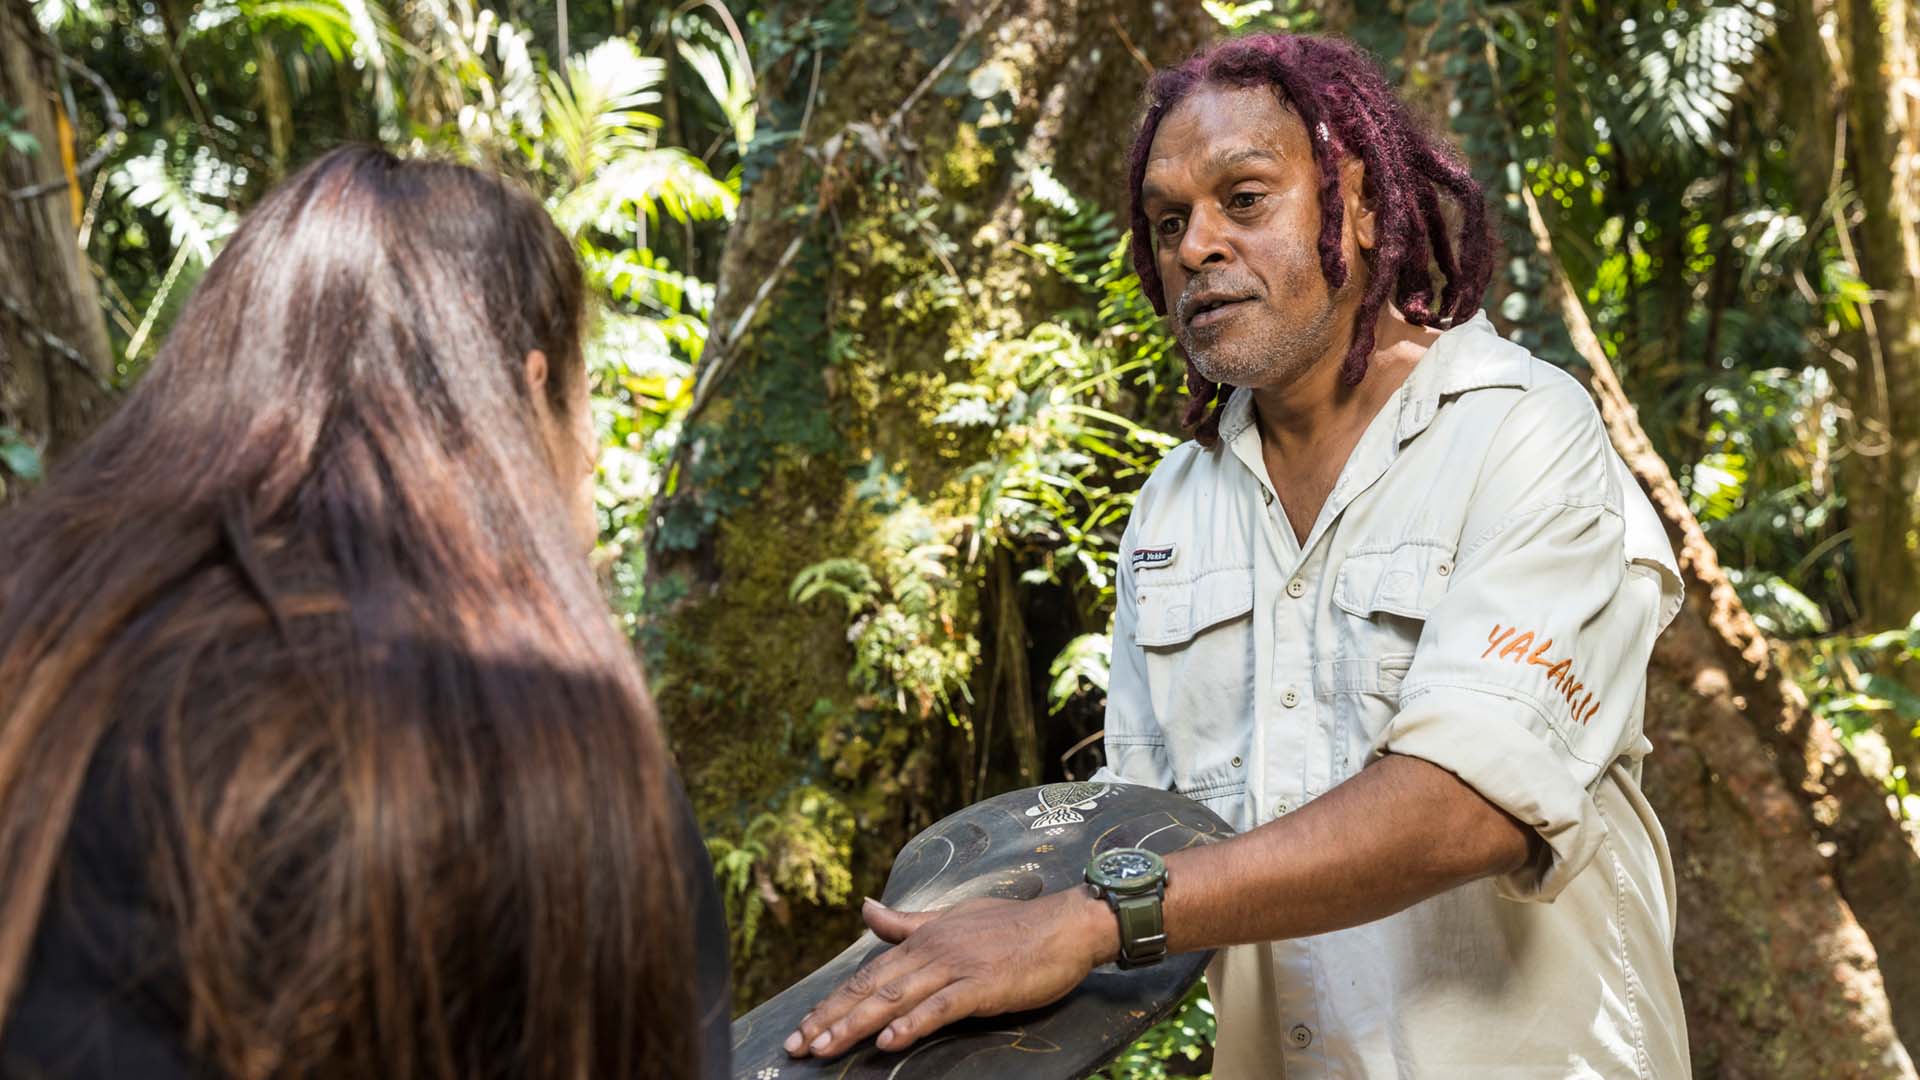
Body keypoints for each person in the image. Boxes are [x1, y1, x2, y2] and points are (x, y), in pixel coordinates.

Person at [783, 32, 1688, 1078]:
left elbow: (1468, 804)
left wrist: (1086, 921)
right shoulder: (1173, 511)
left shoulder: (1524, 432)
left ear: (1355, 201)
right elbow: (1139, 841)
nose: (1196, 247)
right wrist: (959, 957)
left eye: (1244, 199)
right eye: (1169, 222)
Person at [0, 145, 729, 1079]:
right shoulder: (534, 728)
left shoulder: (46, 629)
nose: (591, 455)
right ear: (536, 386)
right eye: (590, 398)